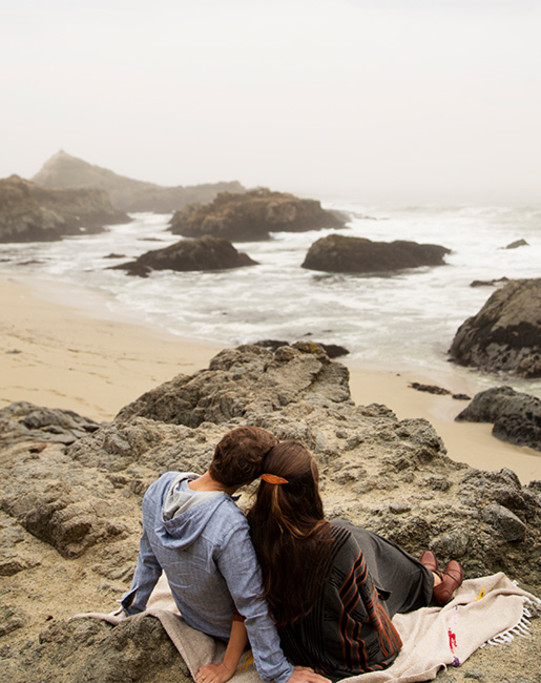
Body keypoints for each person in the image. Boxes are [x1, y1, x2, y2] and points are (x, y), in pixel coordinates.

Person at [121, 427, 329, 683]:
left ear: (218, 452)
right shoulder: (229, 524)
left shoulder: (161, 487)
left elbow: (148, 560)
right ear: (252, 479)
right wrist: (278, 672)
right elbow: (250, 602)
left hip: (193, 616)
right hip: (227, 631)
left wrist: (131, 611)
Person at [248, 440, 464, 681]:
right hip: (355, 657)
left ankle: (423, 576)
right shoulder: (336, 541)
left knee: (348, 534)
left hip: (298, 651)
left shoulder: (251, 530)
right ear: (310, 489)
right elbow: (368, 607)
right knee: (367, 553)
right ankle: (430, 581)